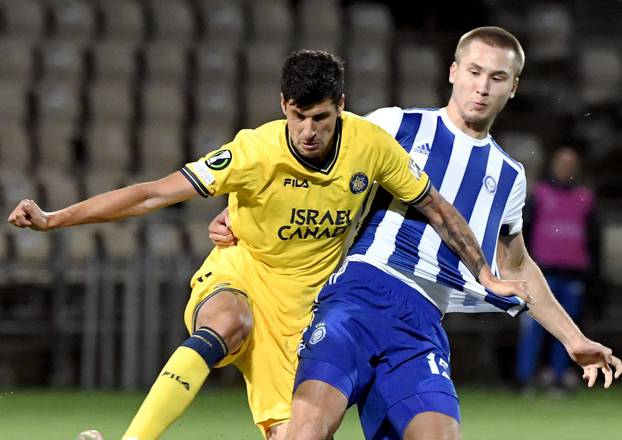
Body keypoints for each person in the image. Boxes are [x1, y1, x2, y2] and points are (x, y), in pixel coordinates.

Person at [7, 50, 528, 440]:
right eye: (297, 116)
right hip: (243, 269)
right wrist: (54, 220)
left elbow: (435, 205)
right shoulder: (252, 150)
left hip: (302, 309)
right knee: (226, 325)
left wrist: (481, 270)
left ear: (341, 108)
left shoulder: (372, 147)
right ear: (283, 105)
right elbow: (150, 195)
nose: (307, 131)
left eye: (320, 118)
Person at [209, 27, 621, 440]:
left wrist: (573, 339)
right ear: (453, 71)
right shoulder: (396, 124)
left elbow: (517, 266)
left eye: (496, 78)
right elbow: (307, 154)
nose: (481, 87)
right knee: (306, 432)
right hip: (359, 296)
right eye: (474, 71)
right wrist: (241, 212)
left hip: (423, 322)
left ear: (512, 88)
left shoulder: (509, 175)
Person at [515, 146, 601, 392]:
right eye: (562, 163)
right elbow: (523, 232)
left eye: (571, 164)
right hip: (541, 274)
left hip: (573, 275)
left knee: (567, 329)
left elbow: (594, 241)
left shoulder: (585, 198)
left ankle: (559, 378)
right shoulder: (539, 195)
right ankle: (525, 379)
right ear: (553, 166)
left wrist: (593, 276)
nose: (566, 169)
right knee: (533, 328)